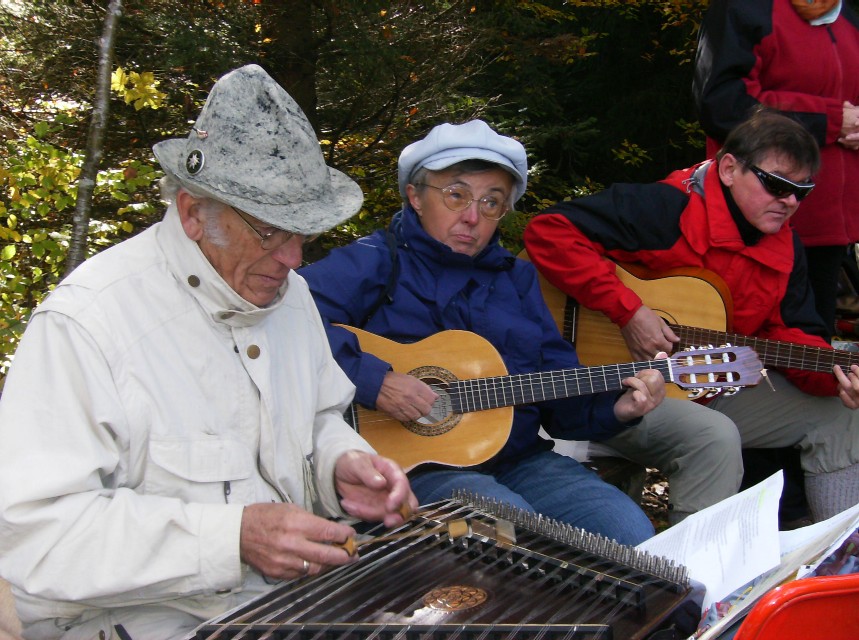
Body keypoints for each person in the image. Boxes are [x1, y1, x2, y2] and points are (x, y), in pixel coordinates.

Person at [0, 64, 416, 640]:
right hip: (134, 620)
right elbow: (36, 536)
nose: (295, 259)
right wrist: (231, 538)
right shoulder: (87, 323)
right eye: (271, 231)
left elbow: (320, 416)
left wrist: (342, 466)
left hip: (290, 602)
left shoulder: (287, 294)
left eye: (305, 234)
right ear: (194, 213)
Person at [299, 119, 674, 547]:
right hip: (415, 469)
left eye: (492, 203)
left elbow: (557, 402)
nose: (473, 217)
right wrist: (375, 380)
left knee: (632, 534)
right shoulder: (373, 261)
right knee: (513, 540)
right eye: (456, 195)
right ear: (416, 196)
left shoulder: (516, 280)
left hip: (518, 460)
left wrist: (618, 407)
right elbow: (291, 324)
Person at [524, 109, 859, 524]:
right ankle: (694, 583)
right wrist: (628, 311)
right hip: (604, 388)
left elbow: (786, 335)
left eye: (802, 191)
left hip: (706, 384)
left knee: (845, 414)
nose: (789, 201)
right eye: (776, 184)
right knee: (714, 438)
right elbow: (549, 230)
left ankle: (842, 566)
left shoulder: (786, 249)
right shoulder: (666, 208)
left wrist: (838, 374)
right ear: (730, 168)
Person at [693, 0, 859, 337]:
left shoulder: (847, 15)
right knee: (747, 362)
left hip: (831, 231)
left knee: (816, 364)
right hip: (755, 228)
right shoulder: (743, 8)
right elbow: (723, 106)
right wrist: (829, 120)